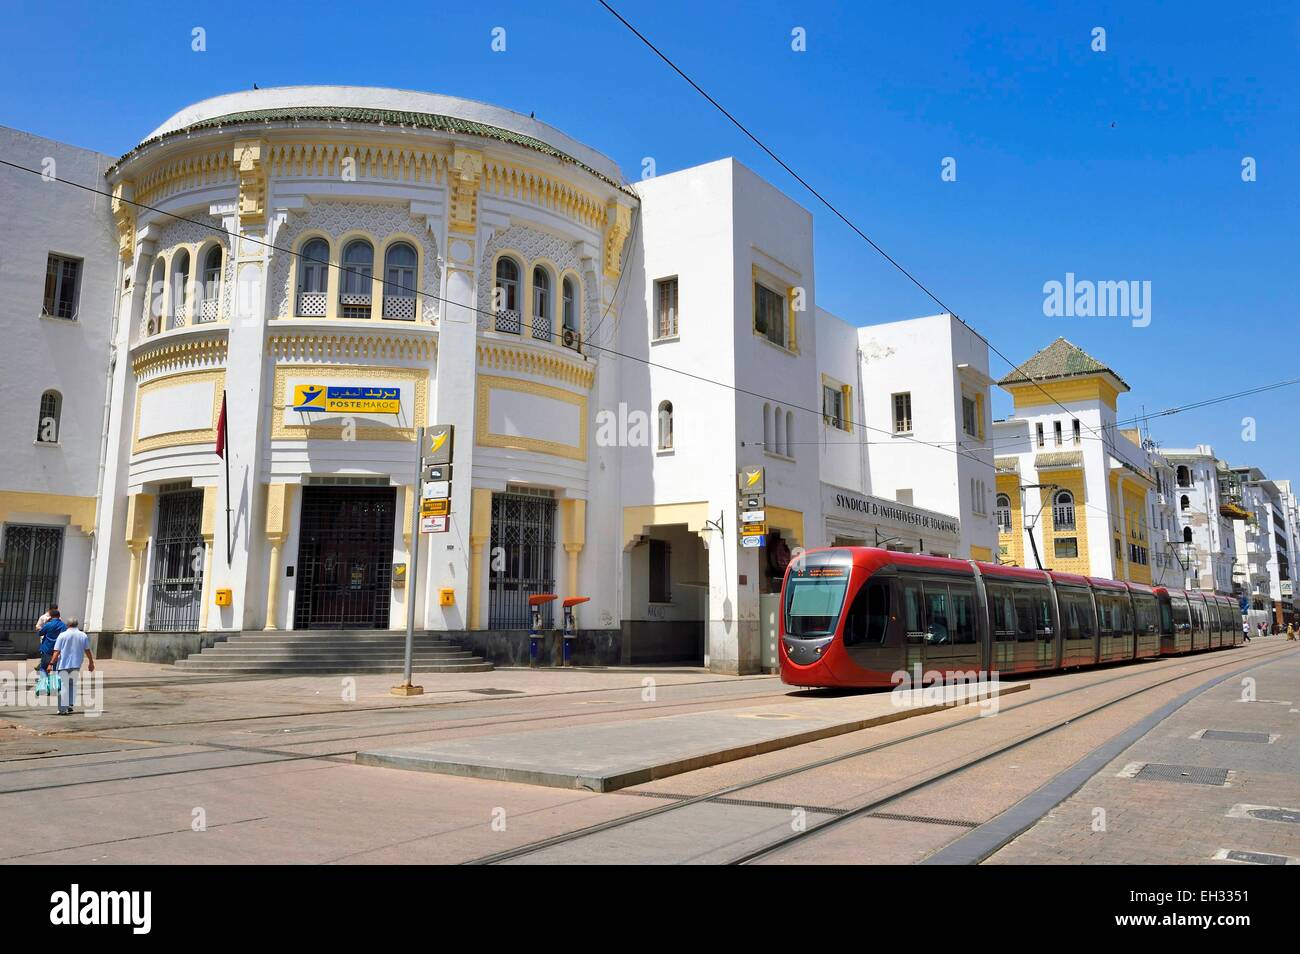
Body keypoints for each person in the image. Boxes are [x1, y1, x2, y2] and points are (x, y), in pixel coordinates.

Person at [48, 617, 93, 716]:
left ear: (67, 625)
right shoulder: (83, 635)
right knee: (72, 685)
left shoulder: (62, 635)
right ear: (77, 624)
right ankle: (69, 705)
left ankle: (62, 709)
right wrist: (91, 662)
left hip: (63, 664)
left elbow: (57, 652)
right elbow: (87, 650)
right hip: (76, 664)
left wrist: (51, 664)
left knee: (63, 686)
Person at [36, 609, 66, 675]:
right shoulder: (64, 626)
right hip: (58, 650)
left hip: (47, 649)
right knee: (56, 670)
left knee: (44, 668)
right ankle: (55, 684)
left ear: (51, 616)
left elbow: (40, 633)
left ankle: (44, 683)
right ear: (59, 616)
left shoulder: (48, 624)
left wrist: (46, 623)